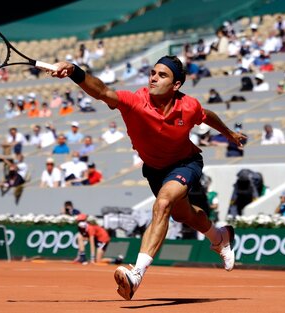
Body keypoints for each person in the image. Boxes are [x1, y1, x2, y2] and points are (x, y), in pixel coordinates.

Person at [51, 55, 245, 300]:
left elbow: (207, 115)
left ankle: (137, 273)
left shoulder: (188, 106)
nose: (154, 78)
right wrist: (74, 71)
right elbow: (101, 91)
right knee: (182, 214)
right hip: (155, 170)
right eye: (153, 73)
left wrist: (229, 133)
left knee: (163, 203)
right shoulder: (135, 101)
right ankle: (220, 236)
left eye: (162, 75)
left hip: (186, 163)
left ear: (176, 85)